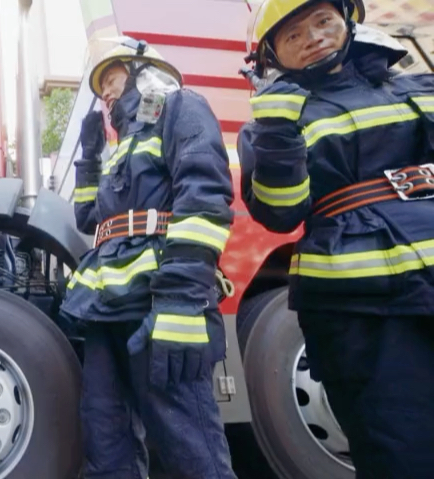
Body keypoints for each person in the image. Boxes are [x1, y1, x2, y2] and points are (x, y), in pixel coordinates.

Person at [238, 0, 434, 476]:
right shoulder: (269, 128)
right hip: (364, 314)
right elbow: (281, 213)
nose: (314, 37)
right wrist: (279, 130)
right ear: (271, 59)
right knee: (401, 451)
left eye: (323, 20)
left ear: (347, 21)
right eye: (294, 35)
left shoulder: (420, 89)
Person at [60, 37, 237, 478]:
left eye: (113, 77)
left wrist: (179, 300)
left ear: (142, 70)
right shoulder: (122, 146)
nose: (106, 92)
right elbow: (88, 218)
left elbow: (205, 200)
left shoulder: (181, 107)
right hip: (106, 311)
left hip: (157, 302)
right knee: (106, 444)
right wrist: (88, 159)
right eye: (101, 86)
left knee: (187, 446)